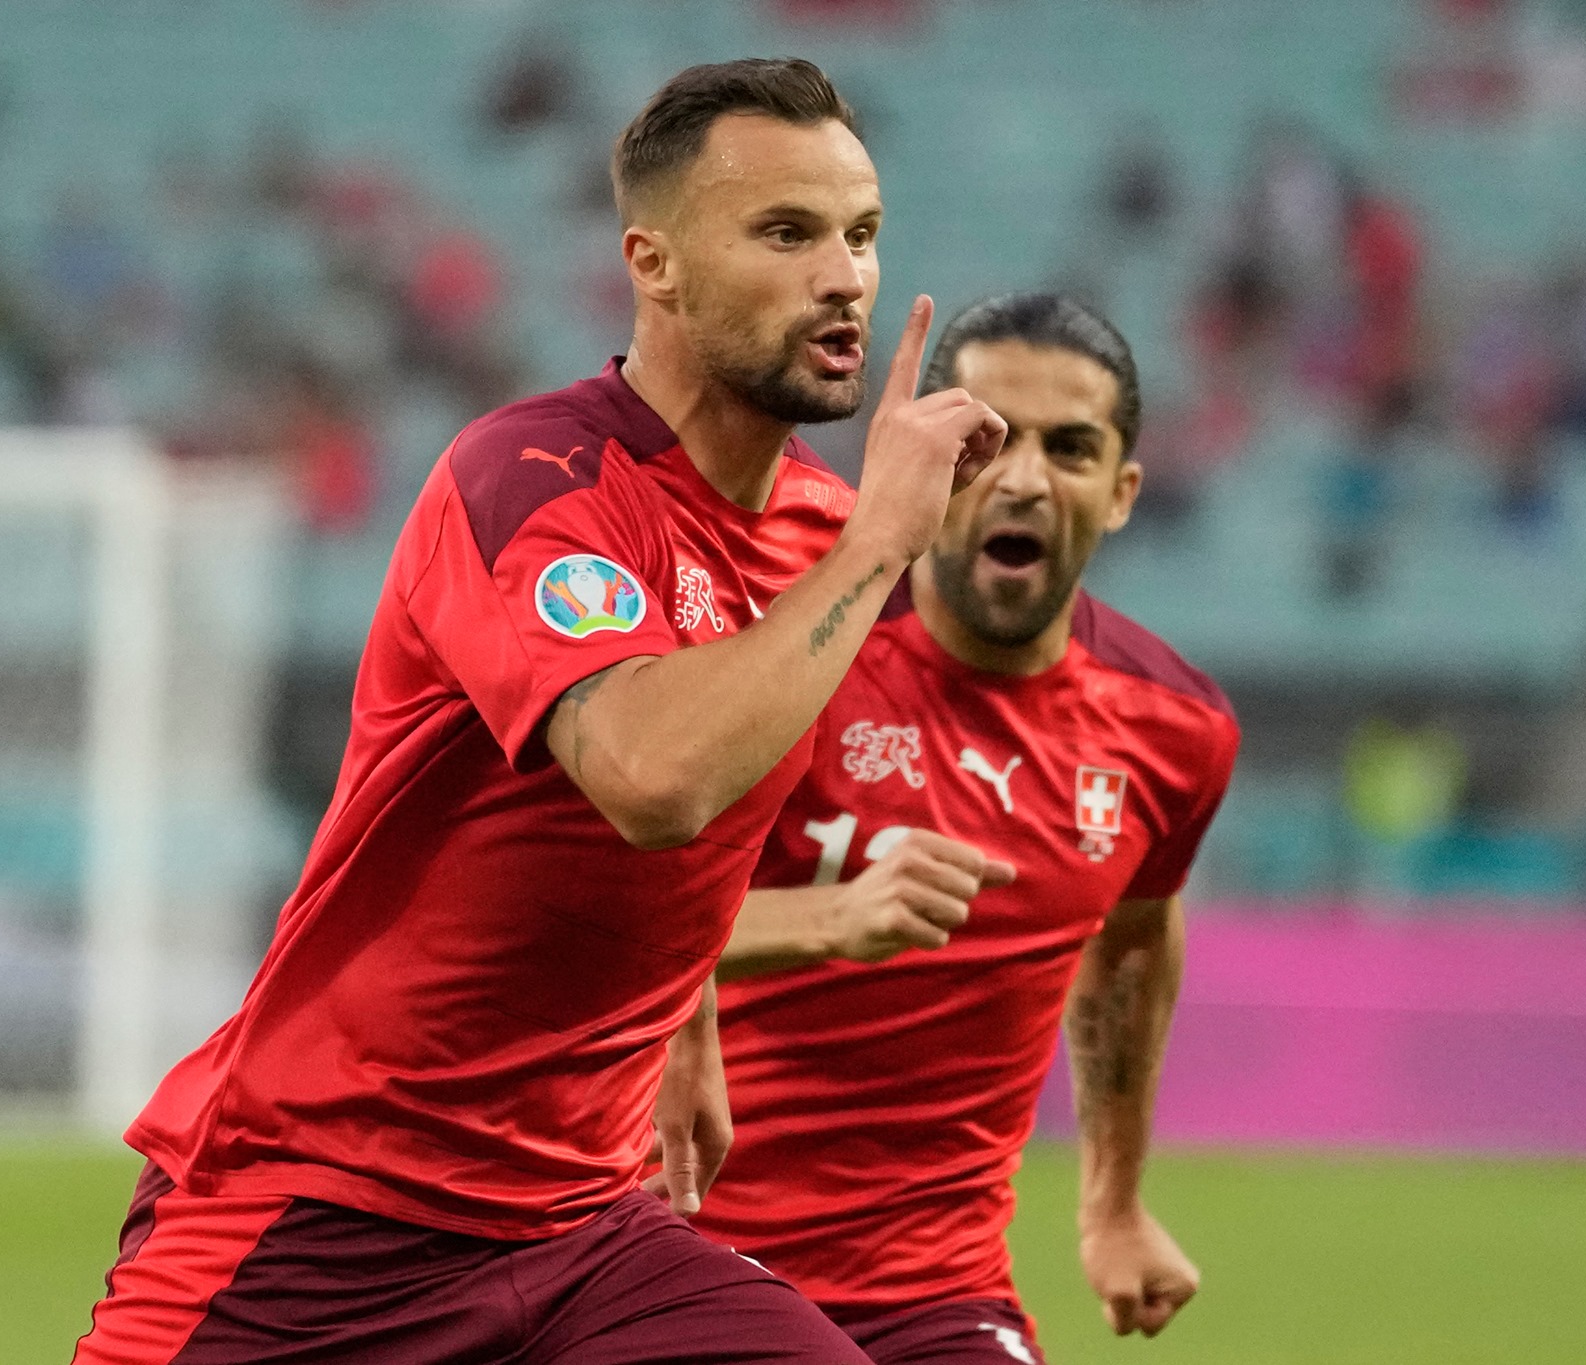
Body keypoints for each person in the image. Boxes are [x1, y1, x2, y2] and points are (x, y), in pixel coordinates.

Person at [73, 58, 1005, 1365]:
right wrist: (882, 544)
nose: (843, 276)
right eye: (786, 233)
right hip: (329, 1213)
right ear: (653, 263)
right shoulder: (533, 482)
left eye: (860, 234)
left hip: (579, 1228)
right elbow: (650, 777)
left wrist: (689, 1009)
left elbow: (694, 815)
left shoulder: (814, 534)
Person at [694, 295, 1240, 1362]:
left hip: (935, 1295)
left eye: (1070, 448)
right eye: (988, 439)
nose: (1024, 478)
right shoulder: (785, 653)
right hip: (684, 1255)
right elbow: (600, 928)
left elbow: (1132, 941)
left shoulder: (1174, 733)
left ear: (1121, 493)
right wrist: (826, 918)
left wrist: (1112, 1204)